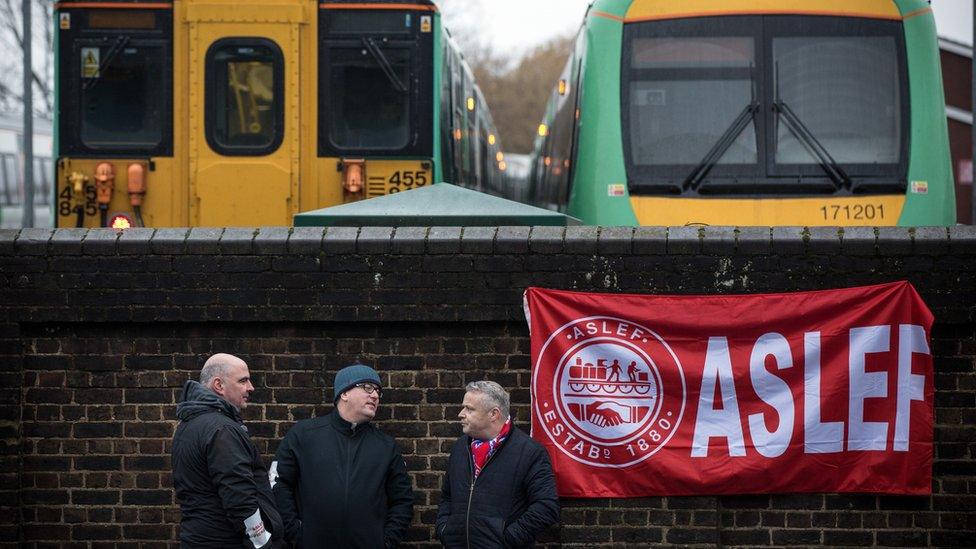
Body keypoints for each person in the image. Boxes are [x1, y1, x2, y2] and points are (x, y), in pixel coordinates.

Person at [272, 364, 413, 548]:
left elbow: (403, 500)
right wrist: (296, 533)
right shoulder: (303, 434)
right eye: (367, 388)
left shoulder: (386, 446)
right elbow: (277, 482)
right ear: (344, 393)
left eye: (378, 391)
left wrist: (385, 541)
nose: (376, 395)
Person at [172, 353, 283, 548]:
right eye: (243, 381)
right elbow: (240, 498)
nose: (251, 387)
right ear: (219, 385)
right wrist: (262, 543)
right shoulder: (222, 430)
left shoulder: (187, 425)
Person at [436, 381, 559, 548]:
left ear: (493, 414)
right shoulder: (460, 448)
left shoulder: (530, 452)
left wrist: (508, 539)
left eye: (469, 409)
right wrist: (445, 529)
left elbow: (546, 507)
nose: (461, 414)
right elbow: (448, 496)